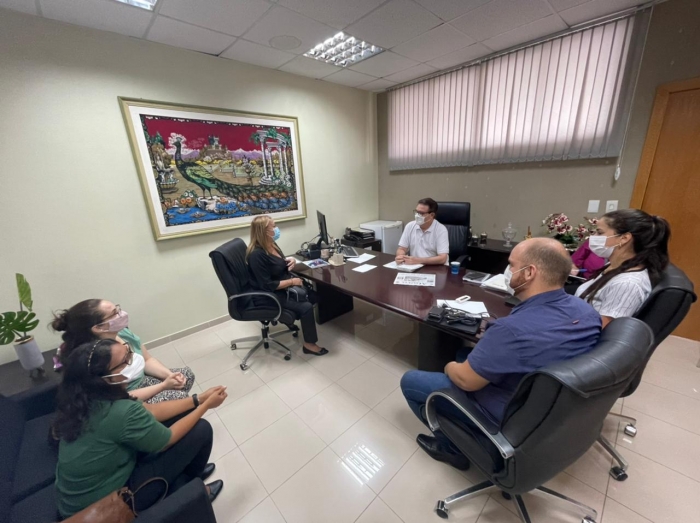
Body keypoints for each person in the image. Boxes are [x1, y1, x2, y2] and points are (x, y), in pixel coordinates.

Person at [401, 238, 601, 470]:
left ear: (529, 273)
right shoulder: (587, 312)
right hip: (552, 408)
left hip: (510, 414)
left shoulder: (511, 330)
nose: (507, 270)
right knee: (464, 352)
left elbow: (466, 380)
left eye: (512, 265)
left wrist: (448, 366)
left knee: (412, 380)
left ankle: (454, 448)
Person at [53, 338, 228, 519]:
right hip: (105, 505)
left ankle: (187, 481)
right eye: (125, 361)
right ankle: (192, 492)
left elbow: (151, 411)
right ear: (106, 377)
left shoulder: (86, 397)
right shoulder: (118, 411)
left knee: (182, 415)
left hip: (92, 488)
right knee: (201, 430)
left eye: (128, 352)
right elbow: (168, 439)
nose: (132, 359)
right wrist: (205, 406)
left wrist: (197, 399)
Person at [52, 300, 195, 403]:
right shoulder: (94, 358)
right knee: (182, 399)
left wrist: (169, 376)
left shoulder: (122, 333)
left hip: (142, 380)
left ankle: (173, 413)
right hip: (125, 397)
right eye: (115, 313)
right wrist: (163, 386)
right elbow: (116, 399)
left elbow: (147, 360)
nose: (121, 314)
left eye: (118, 309)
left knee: (185, 377)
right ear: (99, 327)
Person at [246, 215, 328, 356]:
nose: (277, 229)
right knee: (306, 307)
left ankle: (293, 321)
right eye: (273, 226)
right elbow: (267, 285)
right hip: (269, 295)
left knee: (314, 296)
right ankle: (309, 345)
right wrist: (292, 282)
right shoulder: (256, 255)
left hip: (282, 287)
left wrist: (290, 261)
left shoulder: (271, 244)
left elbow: (275, 265)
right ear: (264, 231)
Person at [576, 209, 670, 328]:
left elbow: (602, 329)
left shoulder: (627, 284)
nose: (593, 237)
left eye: (599, 232)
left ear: (624, 238)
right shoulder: (615, 266)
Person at [396, 198, 450, 266]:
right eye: (417, 212)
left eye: (421, 213)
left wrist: (418, 260)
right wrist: (400, 256)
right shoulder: (410, 226)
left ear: (432, 215)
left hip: (435, 267)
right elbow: (402, 249)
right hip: (414, 267)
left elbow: (442, 258)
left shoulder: (441, 229)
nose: (417, 215)